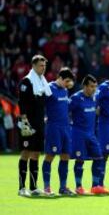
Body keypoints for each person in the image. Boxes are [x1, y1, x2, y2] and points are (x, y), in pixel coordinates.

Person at [18, 55, 51, 196]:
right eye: (40, 65)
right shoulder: (27, 81)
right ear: (33, 65)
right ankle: (21, 188)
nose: (43, 68)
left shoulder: (43, 82)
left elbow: (43, 104)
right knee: (25, 153)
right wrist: (24, 121)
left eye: (44, 65)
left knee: (36, 154)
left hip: (39, 123)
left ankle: (33, 187)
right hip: (28, 122)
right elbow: (22, 102)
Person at [70, 75, 108, 195]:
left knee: (99, 158)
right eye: (91, 86)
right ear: (85, 86)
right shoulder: (76, 98)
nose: (94, 89)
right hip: (78, 134)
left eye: (95, 87)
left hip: (91, 134)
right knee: (80, 160)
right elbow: (65, 110)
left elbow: (95, 110)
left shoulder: (94, 98)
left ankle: (95, 186)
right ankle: (78, 187)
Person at [42, 67, 75, 196]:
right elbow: (40, 104)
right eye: (66, 81)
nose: (68, 84)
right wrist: (44, 116)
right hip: (53, 127)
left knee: (66, 156)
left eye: (69, 82)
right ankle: (47, 187)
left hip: (66, 127)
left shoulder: (65, 90)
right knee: (50, 155)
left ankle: (63, 187)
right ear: (59, 78)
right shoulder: (49, 88)